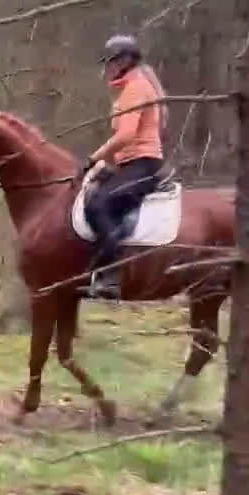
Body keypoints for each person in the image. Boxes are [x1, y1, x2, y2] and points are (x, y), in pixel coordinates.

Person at [81, 35, 167, 300]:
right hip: (129, 162)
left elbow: (126, 135)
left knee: (99, 205)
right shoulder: (128, 88)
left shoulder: (136, 88)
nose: (108, 67)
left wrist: (94, 158)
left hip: (143, 163)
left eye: (111, 61)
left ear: (126, 60)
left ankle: (111, 276)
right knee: (88, 191)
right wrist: (106, 166)